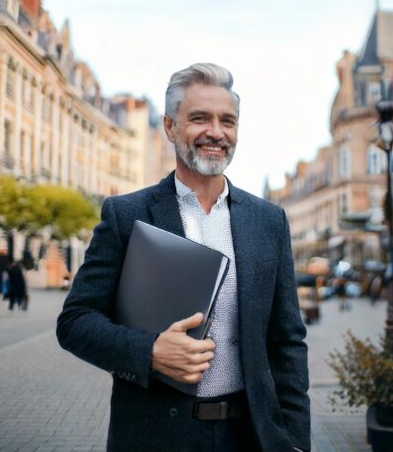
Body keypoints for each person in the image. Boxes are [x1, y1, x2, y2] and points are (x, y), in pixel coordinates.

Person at [56, 63, 310, 452]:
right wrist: (151, 351)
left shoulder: (268, 221)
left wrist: (295, 442)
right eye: (199, 118)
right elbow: (75, 322)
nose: (216, 131)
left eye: (228, 121)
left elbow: (287, 342)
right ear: (171, 127)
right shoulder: (127, 215)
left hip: (249, 436)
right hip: (156, 436)